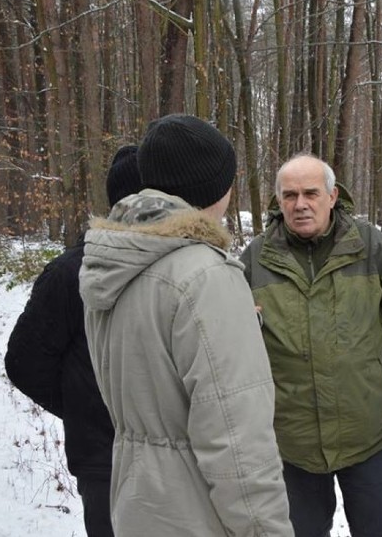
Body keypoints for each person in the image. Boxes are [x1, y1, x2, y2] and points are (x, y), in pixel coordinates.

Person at [79, 114, 293, 537]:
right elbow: (237, 441)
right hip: (198, 514)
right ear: (218, 188)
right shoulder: (206, 276)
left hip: (137, 504)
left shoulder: (112, 263)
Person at [240, 153, 382, 537]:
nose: (300, 204)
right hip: (290, 441)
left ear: (332, 196)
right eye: (290, 195)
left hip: (366, 434)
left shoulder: (369, 246)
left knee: (381, 530)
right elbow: (235, 346)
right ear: (278, 202)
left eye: (311, 193)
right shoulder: (255, 260)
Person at [5, 145, 142, 537]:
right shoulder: (70, 274)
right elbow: (25, 364)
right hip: (105, 462)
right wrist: (85, 407)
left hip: (171, 463)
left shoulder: (176, 271)